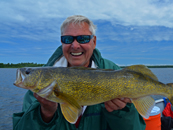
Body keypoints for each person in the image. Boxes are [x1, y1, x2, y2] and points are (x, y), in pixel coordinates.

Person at [13, 15, 146, 130]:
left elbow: (136, 128)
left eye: (83, 39)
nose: (75, 45)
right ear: (61, 42)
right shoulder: (37, 89)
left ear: (94, 42)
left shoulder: (116, 71)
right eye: (68, 39)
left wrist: (121, 112)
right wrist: (46, 113)